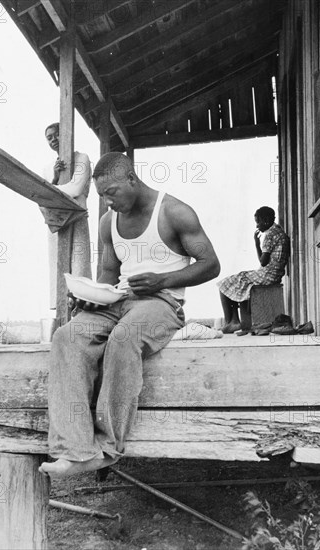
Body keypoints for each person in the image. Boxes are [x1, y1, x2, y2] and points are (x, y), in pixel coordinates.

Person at [39, 152, 220, 478]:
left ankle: (109, 448)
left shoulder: (174, 212)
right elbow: (108, 273)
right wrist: (94, 298)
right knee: (67, 336)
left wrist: (161, 280)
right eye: (102, 197)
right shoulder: (109, 222)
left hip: (162, 302)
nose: (108, 203)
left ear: (132, 180)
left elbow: (211, 265)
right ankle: (76, 451)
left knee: (125, 338)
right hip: (119, 301)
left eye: (112, 193)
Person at [217, 206, 289, 333]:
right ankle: (234, 321)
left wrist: (256, 244)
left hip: (267, 275)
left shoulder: (270, 235)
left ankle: (231, 322)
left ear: (266, 220)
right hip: (274, 274)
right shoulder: (279, 231)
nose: (257, 226)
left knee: (224, 284)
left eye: (258, 222)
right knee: (237, 280)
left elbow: (263, 262)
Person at [43, 122, 92, 281]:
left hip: (77, 219)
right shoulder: (49, 168)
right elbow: (41, 201)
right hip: (57, 222)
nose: (53, 140)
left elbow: (76, 189)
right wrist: (55, 178)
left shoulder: (82, 158)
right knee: (59, 273)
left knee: (79, 269)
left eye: (57, 134)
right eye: (49, 138)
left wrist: (49, 190)